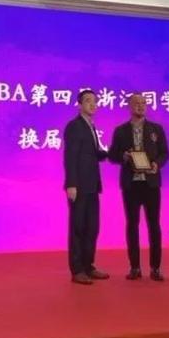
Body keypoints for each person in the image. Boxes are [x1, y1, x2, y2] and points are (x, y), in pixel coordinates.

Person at [108, 93, 169, 281]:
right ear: (129, 106)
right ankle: (135, 267)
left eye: (144, 103)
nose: (141, 106)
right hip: (131, 185)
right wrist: (124, 157)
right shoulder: (121, 131)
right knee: (132, 225)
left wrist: (157, 164)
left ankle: (155, 268)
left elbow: (165, 153)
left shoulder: (156, 129)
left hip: (151, 184)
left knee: (154, 225)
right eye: (136, 103)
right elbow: (112, 155)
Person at [63, 89, 110, 285]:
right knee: (78, 228)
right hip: (79, 186)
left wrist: (114, 152)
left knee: (92, 228)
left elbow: (95, 154)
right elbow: (70, 157)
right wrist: (71, 184)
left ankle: (88, 265)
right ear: (79, 105)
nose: (93, 104)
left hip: (92, 185)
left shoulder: (91, 126)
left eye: (95, 101)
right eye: (88, 101)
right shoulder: (74, 126)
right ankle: (77, 270)